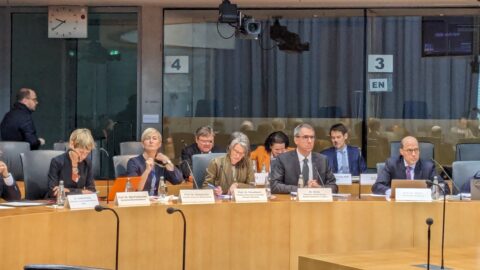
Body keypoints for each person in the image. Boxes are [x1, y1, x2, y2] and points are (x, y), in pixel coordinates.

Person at [270, 123, 338, 194]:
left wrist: (320, 188)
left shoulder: (322, 160)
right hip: (293, 203)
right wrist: (301, 189)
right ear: (296, 140)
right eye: (305, 137)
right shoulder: (283, 159)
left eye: (312, 137)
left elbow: (334, 186)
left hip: (316, 202)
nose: (310, 141)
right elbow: (274, 186)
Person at [372, 136, 450, 196]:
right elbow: (377, 186)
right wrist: (393, 192)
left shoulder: (428, 167)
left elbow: (445, 188)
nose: (413, 154)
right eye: (409, 150)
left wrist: (429, 192)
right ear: (401, 151)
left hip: (420, 206)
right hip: (397, 205)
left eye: (416, 150)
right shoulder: (392, 164)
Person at [127, 128, 182, 195]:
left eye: (154, 138)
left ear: (159, 144)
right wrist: (147, 170)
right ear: (142, 144)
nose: (151, 141)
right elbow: (136, 188)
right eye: (147, 138)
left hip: (159, 202)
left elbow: (177, 180)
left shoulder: (162, 163)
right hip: (141, 201)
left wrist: (167, 161)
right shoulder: (133, 162)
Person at [48, 128, 96, 198]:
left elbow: (91, 190)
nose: (83, 157)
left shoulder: (87, 163)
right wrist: (81, 192)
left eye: (87, 153)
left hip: (78, 204)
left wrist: (68, 191)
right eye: (81, 152)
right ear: (71, 144)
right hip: (59, 204)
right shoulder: (57, 161)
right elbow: (53, 191)